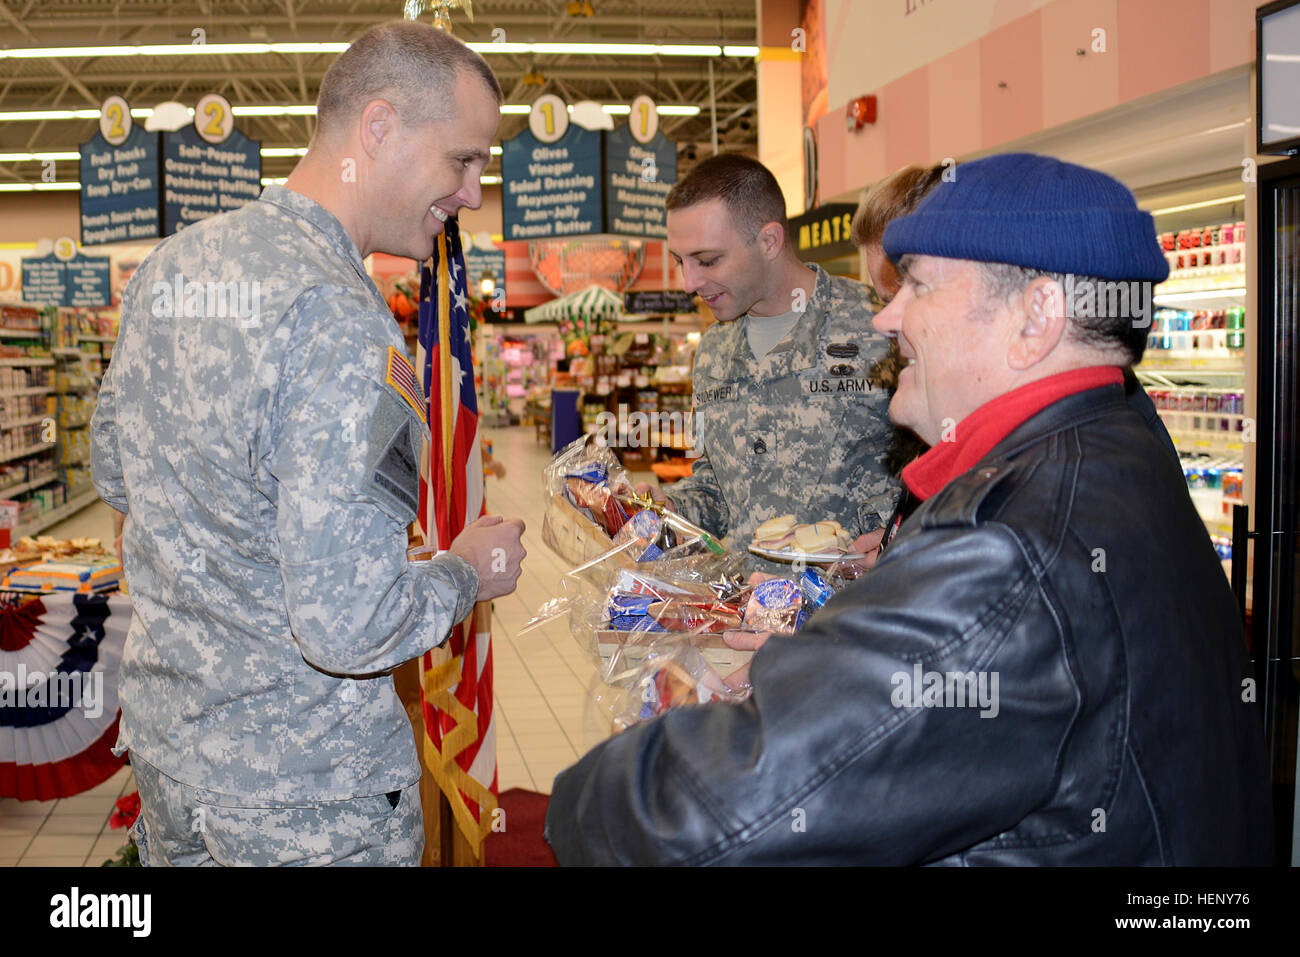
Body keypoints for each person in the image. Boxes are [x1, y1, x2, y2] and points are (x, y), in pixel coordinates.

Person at [544, 153, 1272, 865]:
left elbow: (746, 798)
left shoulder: (1004, 547)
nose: (888, 316)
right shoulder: (1117, 445)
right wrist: (829, 664)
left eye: (917, 286)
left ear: (1037, 317)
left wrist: (584, 800)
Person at [90, 21, 526, 866]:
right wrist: (468, 571)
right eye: (463, 160)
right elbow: (348, 625)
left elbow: (118, 471)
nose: (472, 193)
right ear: (379, 127)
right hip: (305, 801)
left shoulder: (171, 269)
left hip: (173, 762)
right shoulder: (343, 322)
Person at [637, 154, 900, 556]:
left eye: (707, 260)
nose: (689, 282)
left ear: (770, 241)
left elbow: (941, 470)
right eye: (680, 261)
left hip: (856, 608)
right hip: (750, 611)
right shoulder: (713, 352)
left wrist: (896, 539)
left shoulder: (880, 327)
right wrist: (665, 508)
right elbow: (719, 488)